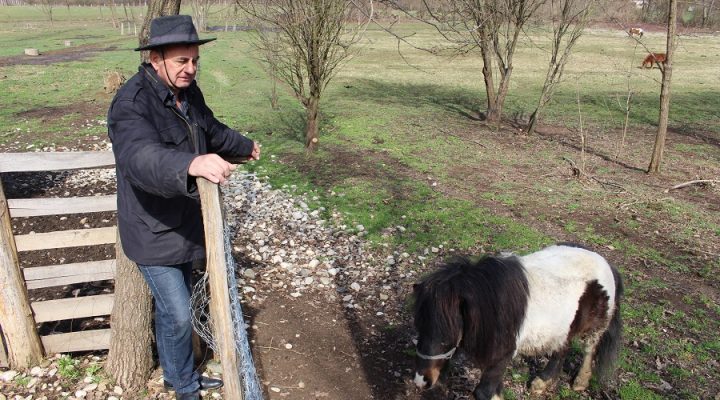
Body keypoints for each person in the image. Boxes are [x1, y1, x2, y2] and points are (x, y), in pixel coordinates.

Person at [107, 15, 260, 400]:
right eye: (181, 61)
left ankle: (179, 376)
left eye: (194, 60)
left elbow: (209, 128)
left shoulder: (188, 94)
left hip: (188, 226)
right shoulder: (131, 103)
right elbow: (140, 158)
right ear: (156, 58)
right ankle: (184, 388)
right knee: (177, 312)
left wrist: (242, 146)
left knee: (182, 310)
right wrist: (190, 164)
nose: (190, 69)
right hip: (152, 229)